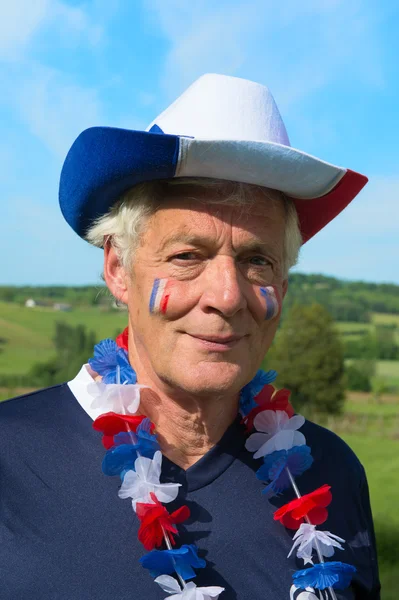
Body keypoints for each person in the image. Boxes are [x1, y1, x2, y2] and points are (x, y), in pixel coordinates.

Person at [0, 74, 380, 600]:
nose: (227, 296)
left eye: (257, 261)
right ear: (117, 268)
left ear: (284, 286)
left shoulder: (331, 472)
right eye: (187, 256)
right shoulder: (10, 461)